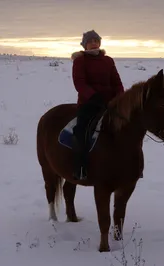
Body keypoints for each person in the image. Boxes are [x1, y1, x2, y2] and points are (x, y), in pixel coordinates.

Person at [70, 29, 124, 180]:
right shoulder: (80, 61)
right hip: (89, 103)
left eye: (96, 41)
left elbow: (116, 81)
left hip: (111, 103)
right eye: (90, 41)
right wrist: (93, 96)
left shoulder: (108, 60)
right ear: (85, 45)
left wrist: (120, 97)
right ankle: (80, 166)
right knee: (82, 131)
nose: (94, 43)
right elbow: (79, 83)